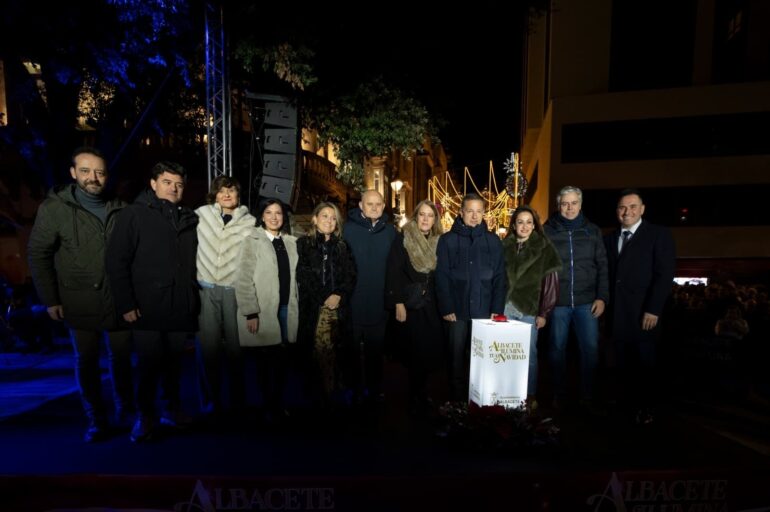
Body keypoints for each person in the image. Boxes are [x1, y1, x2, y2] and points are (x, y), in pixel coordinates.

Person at [27, 146, 132, 442]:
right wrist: (50, 299)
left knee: (122, 360)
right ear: (73, 173)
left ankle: (127, 411)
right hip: (78, 299)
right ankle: (96, 420)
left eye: (99, 172)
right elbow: (38, 253)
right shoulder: (54, 208)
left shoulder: (121, 207)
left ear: (107, 175)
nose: (93, 178)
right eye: (85, 171)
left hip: (118, 300)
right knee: (86, 362)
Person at [106, 161, 199, 442]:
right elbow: (116, 260)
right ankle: (145, 416)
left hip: (179, 304)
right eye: (167, 182)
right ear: (153, 183)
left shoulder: (188, 217)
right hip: (146, 305)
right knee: (148, 365)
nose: (174, 188)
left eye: (179, 184)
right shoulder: (133, 214)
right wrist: (126, 304)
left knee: (174, 365)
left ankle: (172, 409)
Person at [604, 189, 675, 424]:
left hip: (644, 313)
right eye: (623, 207)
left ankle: (646, 408)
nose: (627, 212)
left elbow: (664, 275)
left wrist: (654, 309)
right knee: (621, 364)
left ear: (642, 209)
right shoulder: (610, 238)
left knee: (645, 364)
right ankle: (626, 404)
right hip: (618, 314)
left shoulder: (658, 235)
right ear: (617, 211)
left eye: (633, 206)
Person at [435, 193, 507, 402]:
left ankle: (480, 401)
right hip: (456, 312)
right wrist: (447, 307)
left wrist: (497, 308)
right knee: (455, 358)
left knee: (481, 359)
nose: (474, 216)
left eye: (479, 211)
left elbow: (500, 277)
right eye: (470, 211)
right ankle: (457, 402)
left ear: (484, 213)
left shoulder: (493, 241)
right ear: (461, 212)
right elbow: (442, 276)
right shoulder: (447, 240)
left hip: (485, 311)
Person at [543, 186, 609, 410]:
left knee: (590, 349)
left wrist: (602, 297)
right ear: (558, 205)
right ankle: (559, 394)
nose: (569, 208)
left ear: (580, 205)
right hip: (558, 302)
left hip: (587, 302)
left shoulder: (593, 231)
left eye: (573, 203)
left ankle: (587, 394)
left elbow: (602, 266)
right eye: (565, 203)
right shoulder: (547, 230)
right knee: (556, 350)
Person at [195, 176, 255, 416]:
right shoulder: (201, 215)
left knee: (236, 351)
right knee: (207, 350)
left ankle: (237, 401)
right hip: (205, 288)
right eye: (221, 191)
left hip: (234, 291)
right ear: (214, 194)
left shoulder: (250, 223)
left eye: (231, 191)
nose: (227, 195)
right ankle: (209, 401)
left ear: (238, 195)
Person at [234, 198, 299, 423]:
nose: (274, 217)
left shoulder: (291, 242)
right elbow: (242, 279)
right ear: (261, 216)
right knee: (264, 362)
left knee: (282, 361)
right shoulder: (251, 241)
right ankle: (266, 405)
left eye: (278, 213)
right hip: (263, 310)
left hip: (285, 309)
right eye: (269, 213)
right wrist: (250, 311)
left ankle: (277, 403)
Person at [385, 199, 444, 415]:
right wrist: (397, 302)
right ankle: (415, 395)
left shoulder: (440, 241)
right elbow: (394, 272)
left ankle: (422, 390)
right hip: (412, 304)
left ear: (435, 219)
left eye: (430, 215)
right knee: (415, 352)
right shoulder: (404, 239)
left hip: (433, 304)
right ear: (416, 217)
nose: (426, 219)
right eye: (422, 215)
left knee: (429, 351)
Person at [296, 202, 357, 408]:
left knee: (334, 352)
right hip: (313, 308)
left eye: (333, 218)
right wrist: (325, 296)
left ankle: (332, 396)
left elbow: (351, 274)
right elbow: (303, 275)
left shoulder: (342, 246)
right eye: (325, 216)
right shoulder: (303, 245)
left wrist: (338, 294)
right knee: (316, 352)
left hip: (337, 310)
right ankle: (317, 398)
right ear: (315, 219)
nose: (329, 221)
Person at [501, 206, 561, 410]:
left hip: (529, 309)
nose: (524, 226)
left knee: (528, 355)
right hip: (506, 309)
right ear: (513, 224)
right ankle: (509, 393)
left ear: (534, 225)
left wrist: (544, 312)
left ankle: (529, 394)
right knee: (506, 354)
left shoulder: (545, 247)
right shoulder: (504, 246)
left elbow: (551, 283)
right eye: (520, 221)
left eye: (529, 222)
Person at [343, 190, 396, 405]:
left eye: (378, 204)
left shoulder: (391, 232)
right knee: (352, 353)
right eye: (369, 204)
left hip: (378, 304)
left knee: (375, 353)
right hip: (352, 302)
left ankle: (374, 390)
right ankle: (354, 389)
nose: (374, 208)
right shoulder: (347, 230)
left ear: (383, 206)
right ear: (361, 206)